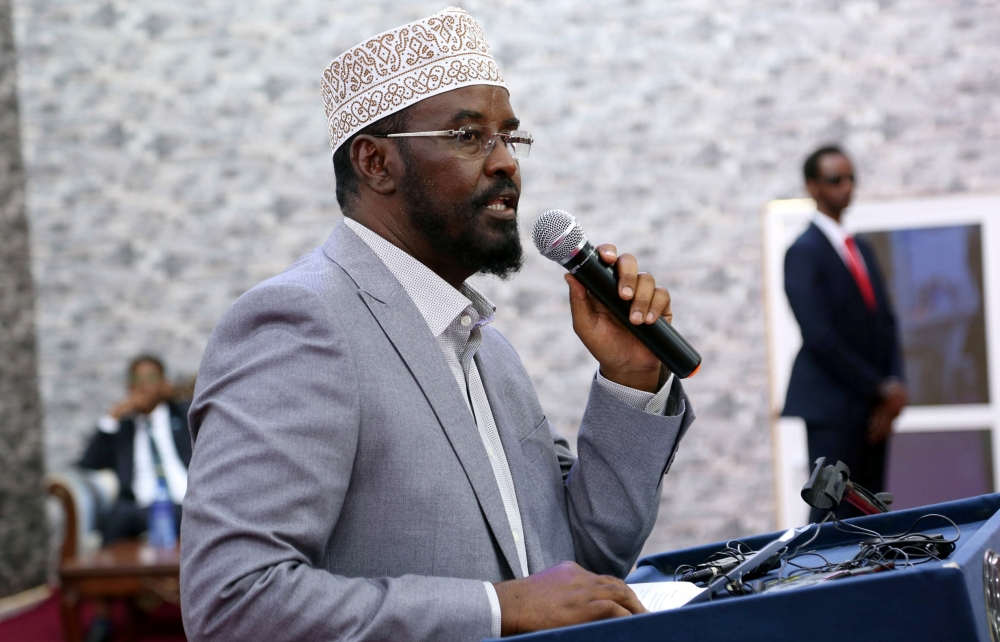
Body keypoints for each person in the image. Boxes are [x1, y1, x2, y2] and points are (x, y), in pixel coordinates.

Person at [180, 8, 695, 641]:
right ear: (376, 163)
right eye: (469, 136)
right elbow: (233, 602)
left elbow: (572, 574)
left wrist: (630, 379)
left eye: (511, 136)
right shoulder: (301, 323)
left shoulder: (488, 352)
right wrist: (495, 610)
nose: (507, 161)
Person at [782, 145, 907, 523]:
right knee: (829, 517)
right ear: (813, 186)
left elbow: (886, 322)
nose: (847, 187)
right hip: (832, 404)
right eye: (836, 179)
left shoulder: (862, 249)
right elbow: (820, 336)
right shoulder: (803, 252)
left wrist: (894, 383)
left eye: (852, 178)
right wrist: (879, 387)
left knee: (872, 512)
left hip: (873, 406)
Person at [80, 354, 190, 542]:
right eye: (136, 379)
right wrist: (112, 417)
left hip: (184, 504)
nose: (143, 385)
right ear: (128, 386)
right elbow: (90, 463)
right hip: (140, 508)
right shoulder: (123, 427)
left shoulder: (184, 415)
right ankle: (102, 570)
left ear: (163, 383)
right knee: (118, 516)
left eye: (151, 379)